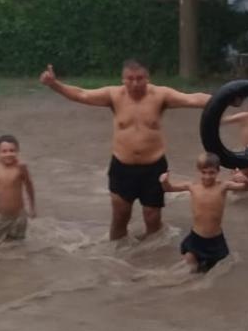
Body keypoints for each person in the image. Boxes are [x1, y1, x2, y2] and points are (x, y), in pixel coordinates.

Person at [39, 59, 210, 241]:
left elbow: (193, 98)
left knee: (152, 219)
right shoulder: (114, 95)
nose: (135, 83)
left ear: (148, 78)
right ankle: (115, 260)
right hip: (122, 167)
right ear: (123, 79)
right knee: (120, 218)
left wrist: (227, 97)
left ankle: (153, 263)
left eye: (140, 78)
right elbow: (82, 94)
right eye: (130, 79)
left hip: (154, 168)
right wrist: (54, 85)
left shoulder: (161, 95)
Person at [160, 153, 248, 273]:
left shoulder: (223, 186)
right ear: (199, 171)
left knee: (214, 271)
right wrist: (164, 181)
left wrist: (245, 179)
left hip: (215, 240)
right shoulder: (192, 186)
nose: (207, 176)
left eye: (211, 172)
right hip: (196, 239)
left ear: (218, 171)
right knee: (190, 270)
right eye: (204, 172)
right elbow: (169, 188)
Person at [0, 135, 36, 246]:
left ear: (17, 150)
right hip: (0, 216)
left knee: (19, 245)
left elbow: (29, 187)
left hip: (19, 215)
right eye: (4, 151)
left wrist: (32, 208)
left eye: (12, 150)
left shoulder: (21, 166)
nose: (8, 154)